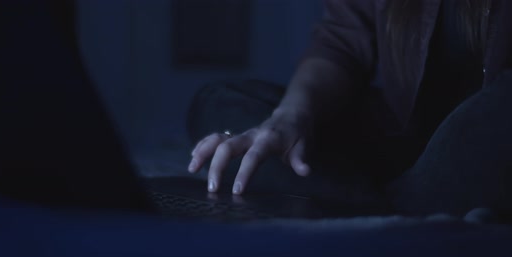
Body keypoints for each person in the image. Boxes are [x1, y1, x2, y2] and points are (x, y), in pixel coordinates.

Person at [187, 0, 512, 221]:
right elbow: (341, 45)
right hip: (405, 138)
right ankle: (394, 205)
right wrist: (290, 116)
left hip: (486, 137)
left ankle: (384, 208)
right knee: (220, 102)